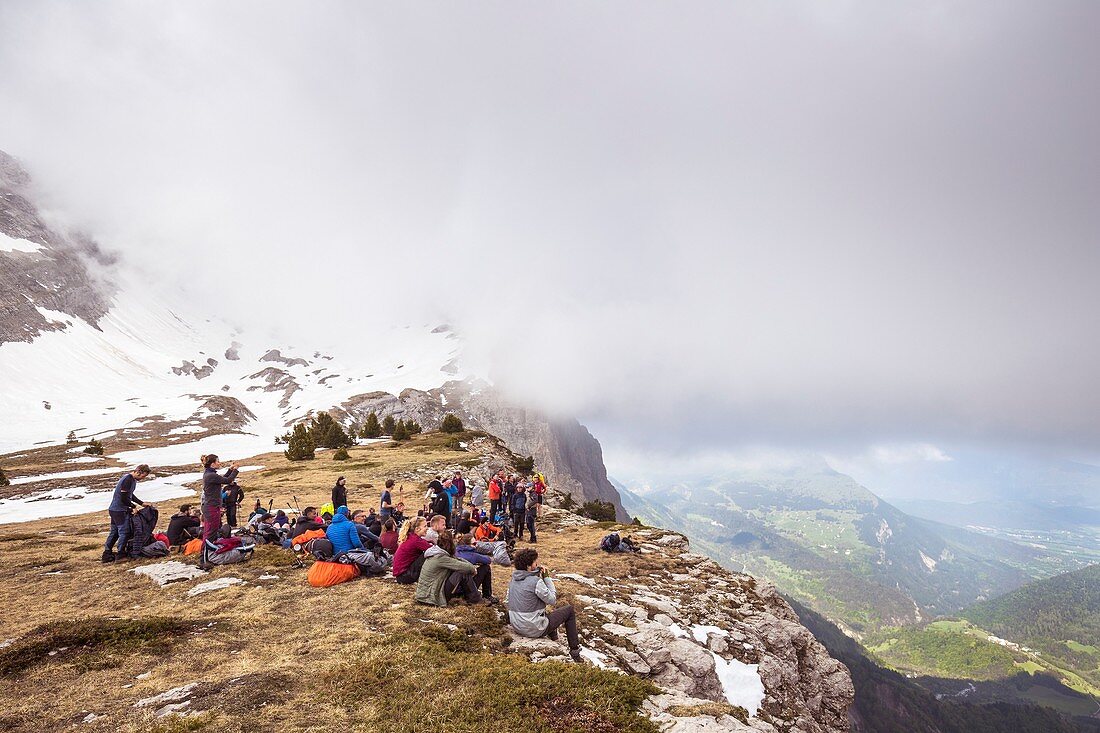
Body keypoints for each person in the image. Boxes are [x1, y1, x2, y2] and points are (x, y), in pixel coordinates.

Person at [507, 548, 582, 662]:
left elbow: (508, 601)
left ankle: (554, 639)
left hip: (517, 626)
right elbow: (552, 599)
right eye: (535, 562)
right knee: (569, 610)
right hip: (533, 628)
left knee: (548, 614)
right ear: (529, 566)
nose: (537, 564)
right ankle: (575, 651)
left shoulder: (513, 580)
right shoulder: (535, 582)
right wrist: (546, 577)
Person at [415, 531, 480, 607]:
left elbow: (456, 560)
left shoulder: (437, 552)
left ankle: (473, 597)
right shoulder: (441, 557)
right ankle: (476, 600)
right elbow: (466, 567)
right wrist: (472, 569)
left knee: (461, 569)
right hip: (430, 597)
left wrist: (471, 567)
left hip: (425, 595)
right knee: (462, 572)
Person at [103, 464, 152, 562]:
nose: (143, 478)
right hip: (119, 511)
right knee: (124, 532)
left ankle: (107, 554)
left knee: (115, 532)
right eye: (143, 476)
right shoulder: (128, 479)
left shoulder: (131, 480)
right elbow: (124, 497)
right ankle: (120, 555)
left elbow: (130, 494)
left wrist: (141, 503)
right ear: (138, 472)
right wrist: (133, 507)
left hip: (115, 509)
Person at [201, 455, 239, 544]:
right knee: (211, 532)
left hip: (210, 507)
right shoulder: (210, 475)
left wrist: (230, 470)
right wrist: (235, 470)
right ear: (213, 464)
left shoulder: (210, 474)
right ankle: (206, 554)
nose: (219, 463)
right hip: (212, 507)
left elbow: (222, 479)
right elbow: (228, 480)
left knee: (210, 531)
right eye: (218, 461)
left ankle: (207, 553)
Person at [455, 533, 498, 603]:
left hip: (455, 586)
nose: (476, 545)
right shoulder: (473, 556)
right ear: (468, 545)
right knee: (486, 568)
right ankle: (487, 595)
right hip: (465, 588)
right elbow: (488, 560)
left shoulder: (455, 551)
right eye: (474, 543)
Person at [393, 516, 431, 584]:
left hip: (401, 575)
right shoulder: (416, 540)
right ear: (417, 529)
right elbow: (433, 550)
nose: (427, 528)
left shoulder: (410, 537)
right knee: (429, 554)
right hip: (405, 576)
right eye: (425, 526)